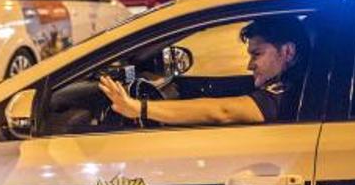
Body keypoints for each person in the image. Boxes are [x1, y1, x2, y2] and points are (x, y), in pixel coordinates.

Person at [99, 15, 309, 126]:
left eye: (257, 54)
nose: (249, 65)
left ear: (287, 51)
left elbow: (222, 112)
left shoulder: (288, 93)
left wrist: (138, 108)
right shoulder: (301, 81)